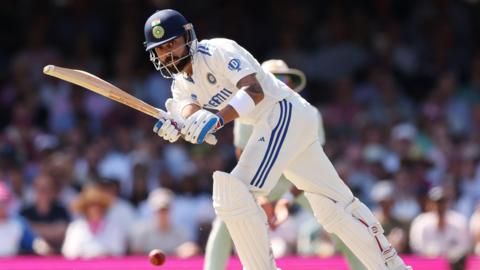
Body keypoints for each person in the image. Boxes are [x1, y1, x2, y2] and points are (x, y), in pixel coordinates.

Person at [145, 9, 411, 270]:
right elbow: (192, 117)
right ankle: (394, 267)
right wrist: (179, 126)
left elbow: (254, 90)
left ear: (188, 36)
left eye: (173, 43)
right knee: (334, 206)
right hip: (285, 122)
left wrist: (216, 119)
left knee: (234, 193)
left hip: (282, 111)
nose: (169, 53)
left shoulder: (216, 51)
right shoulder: (180, 85)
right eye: (161, 49)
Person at [204, 59, 364, 270]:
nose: (280, 82)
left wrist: (285, 201)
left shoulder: (308, 112)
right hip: (260, 179)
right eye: (273, 78)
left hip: (299, 181)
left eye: (284, 79)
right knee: (226, 219)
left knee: (340, 219)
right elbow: (245, 162)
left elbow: (315, 167)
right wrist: (260, 197)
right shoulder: (244, 116)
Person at [409, 186, 470, 270]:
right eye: (437, 202)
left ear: (448, 203)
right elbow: (417, 248)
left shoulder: (459, 222)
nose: (439, 206)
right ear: (429, 204)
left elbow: (464, 248)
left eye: (443, 202)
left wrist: (450, 256)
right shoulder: (420, 223)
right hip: (428, 266)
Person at [61, 185, 127, 258]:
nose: (95, 209)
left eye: (98, 205)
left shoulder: (114, 227)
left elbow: (118, 251)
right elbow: (69, 252)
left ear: (103, 207)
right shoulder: (76, 227)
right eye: (91, 206)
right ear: (85, 208)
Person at [129, 188, 199, 257]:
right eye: (159, 210)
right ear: (153, 211)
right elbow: (136, 256)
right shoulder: (142, 232)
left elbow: (191, 250)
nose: (162, 214)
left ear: (171, 209)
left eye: (165, 210)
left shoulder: (182, 232)